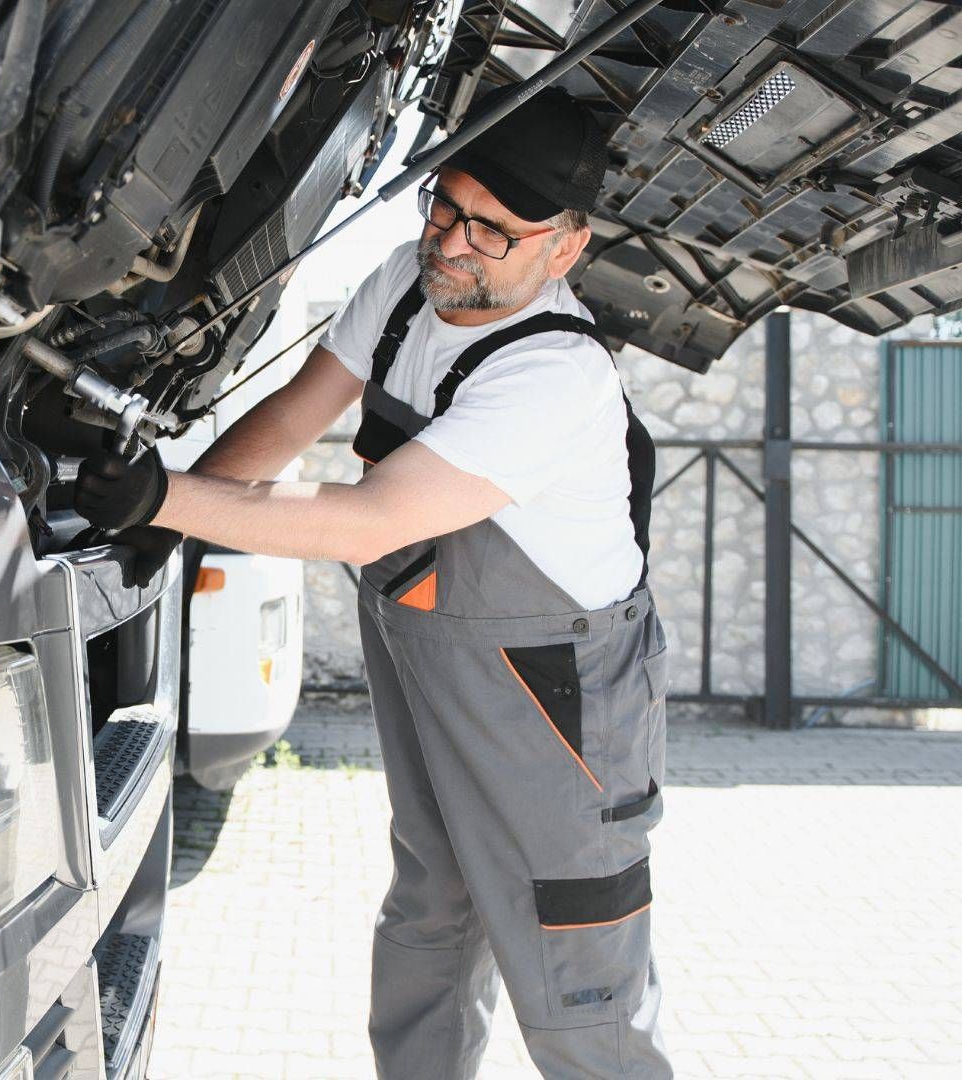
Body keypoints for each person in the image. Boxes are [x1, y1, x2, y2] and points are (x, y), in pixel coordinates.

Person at [74, 87, 672, 1078]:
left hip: (555, 695)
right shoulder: (407, 284)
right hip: (427, 651)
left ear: (565, 247)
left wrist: (164, 501)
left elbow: (366, 521)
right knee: (431, 911)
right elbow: (293, 416)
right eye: (446, 207)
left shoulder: (555, 376)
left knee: (576, 972)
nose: (455, 243)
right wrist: (179, 513)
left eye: (494, 229)